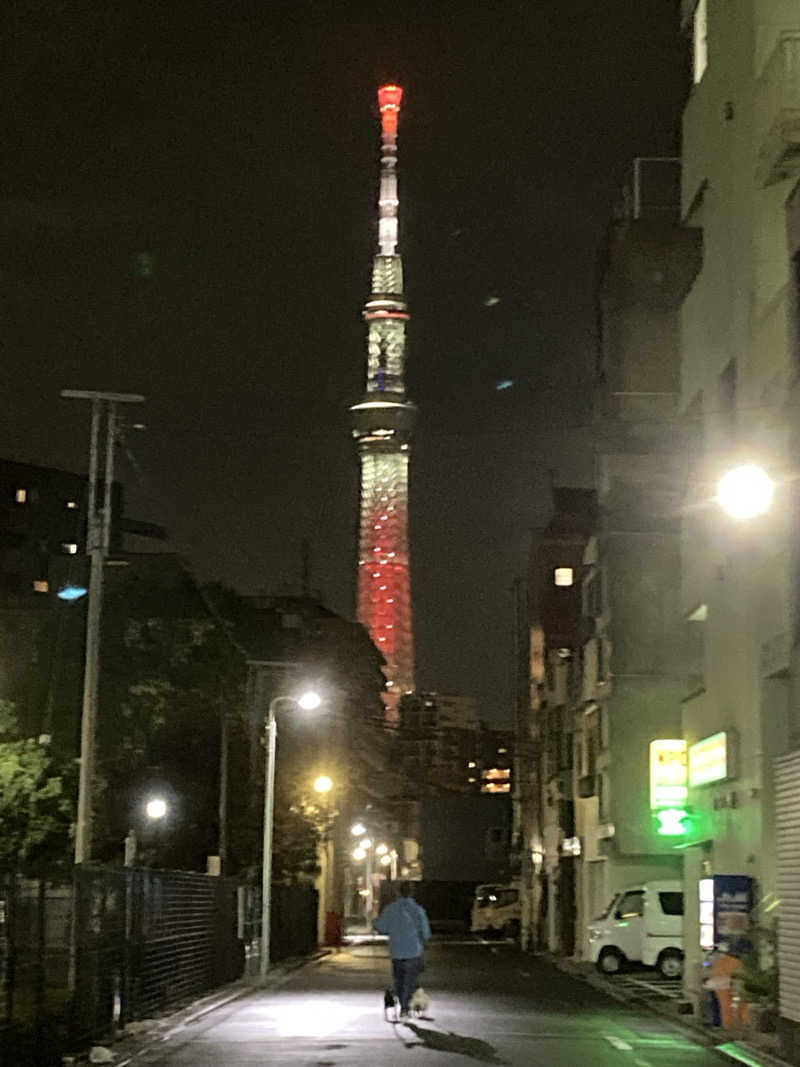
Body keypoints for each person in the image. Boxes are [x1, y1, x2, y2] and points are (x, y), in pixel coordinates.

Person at [372, 881, 431, 1018]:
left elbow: (381, 927)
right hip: (414, 951)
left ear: (398, 892)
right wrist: (422, 941)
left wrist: (375, 922)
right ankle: (405, 1008)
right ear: (412, 893)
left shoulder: (391, 909)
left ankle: (402, 1005)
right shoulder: (418, 910)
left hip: (397, 951)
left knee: (399, 979)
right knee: (410, 980)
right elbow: (426, 933)